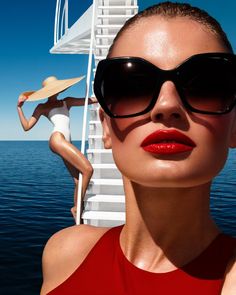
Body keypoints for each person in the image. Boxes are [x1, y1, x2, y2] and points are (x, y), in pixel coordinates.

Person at [40, 2, 236, 294]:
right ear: (105, 126)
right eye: (130, 86)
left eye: (204, 85)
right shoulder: (63, 252)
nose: (166, 106)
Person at [17, 76, 96, 219]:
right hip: (57, 138)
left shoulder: (67, 101)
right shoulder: (42, 107)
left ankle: (78, 213)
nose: (55, 91)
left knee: (78, 180)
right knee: (88, 169)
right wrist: (19, 108)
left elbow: (91, 101)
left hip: (67, 141)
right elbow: (26, 127)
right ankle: (77, 207)